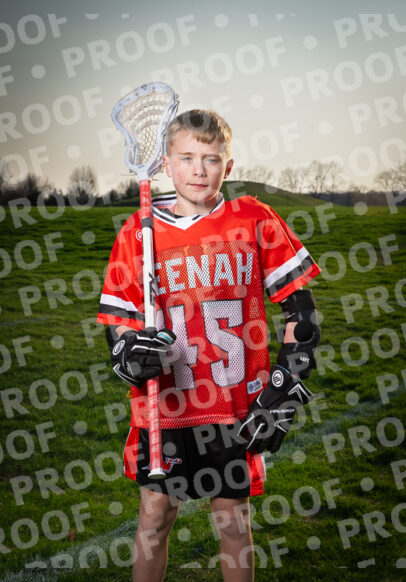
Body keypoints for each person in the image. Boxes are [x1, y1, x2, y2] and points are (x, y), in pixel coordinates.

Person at [97, 109, 321, 582]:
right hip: (166, 405)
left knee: (232, 519)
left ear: (228, 166)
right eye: (186, 158)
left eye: (211, 159)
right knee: (154, 516)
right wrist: (127, 352)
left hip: (234, 403)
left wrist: (283, 386)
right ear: (165, 163)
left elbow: (301, 317)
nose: (198, 170)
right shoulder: (139, 231)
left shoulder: (254, 219)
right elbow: (117, 324)